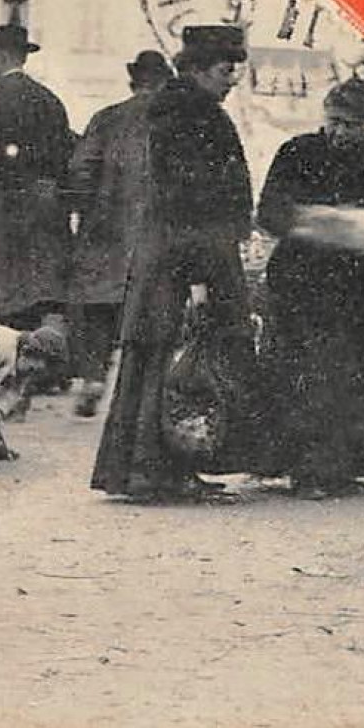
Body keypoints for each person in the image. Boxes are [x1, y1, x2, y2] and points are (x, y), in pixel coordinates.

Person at [91, 25, 254, 503]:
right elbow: (189, 203)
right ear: (199, 70)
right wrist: (202, 280)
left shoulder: (176, 111)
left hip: (169, 260)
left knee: (161, 363)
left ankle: (145, 470)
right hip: (185, 262)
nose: (232, 80)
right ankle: (167, 471)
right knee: (181, 366)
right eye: (226, 70)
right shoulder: (192, 116)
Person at [257, 77, 364, 498]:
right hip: (302, 282)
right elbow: (269, 211)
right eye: (334, 122)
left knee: (359, 374)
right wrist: (316, 221)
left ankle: (347, 465)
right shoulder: (297, 152)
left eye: (351, 125)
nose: (340, 133)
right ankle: (308, 469)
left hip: (360, 285)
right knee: (306, 374)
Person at [66, 50, 174, 417]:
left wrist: (88, 212)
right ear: (164, 82)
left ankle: (94, 378)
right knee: (143, 310)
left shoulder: (107, 118)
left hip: (104, 231)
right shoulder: (172, 122)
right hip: (152, 234)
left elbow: (80, 171)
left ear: (134, 81)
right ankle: (134, 393)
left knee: (97, 308)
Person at [0, 23, 76, 328]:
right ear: (23, 56)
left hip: (2, 219)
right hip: (47, 218)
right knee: (39, 310)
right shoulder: (51, 100)